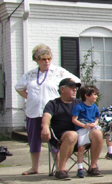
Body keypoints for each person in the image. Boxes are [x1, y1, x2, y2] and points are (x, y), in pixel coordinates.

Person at [14, 44, 79, 175]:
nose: (47, 61)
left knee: (53, 139)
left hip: (52, 112)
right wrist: (30, 97)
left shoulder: (59, 72)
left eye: (49, 58)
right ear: (37, 60)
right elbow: (19, 87)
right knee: (33, 139)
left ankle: (59, 166)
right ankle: (34, 167)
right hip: (34, 111)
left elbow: (76, 82)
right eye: (43, 59)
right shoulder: (31, 74)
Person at [42, 78, 103, 179]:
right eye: (71, 88)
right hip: (61, 136)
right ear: (62, 89)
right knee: (72, 135)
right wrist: (44, 127)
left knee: (97, 133)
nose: (75, 90)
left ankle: (93, 167)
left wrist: (93, 124)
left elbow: (94, 115)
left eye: (76, 88)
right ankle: (61, 170)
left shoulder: (80, 103)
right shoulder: (53, 104)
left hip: (82, 134)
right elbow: (46, 117)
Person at [71, 85, 103, 178]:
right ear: (86, 96)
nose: (96, 96)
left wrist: (94, 123)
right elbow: (74, 119)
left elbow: (97, 118)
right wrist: (84, 125)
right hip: (82, 129)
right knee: (81, 148)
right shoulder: (79, 107)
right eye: (94, 95)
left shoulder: (94, 107)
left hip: (92, 128)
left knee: (100, 134)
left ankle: (93, 166)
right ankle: (80, 168)